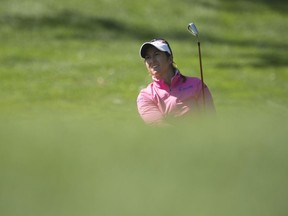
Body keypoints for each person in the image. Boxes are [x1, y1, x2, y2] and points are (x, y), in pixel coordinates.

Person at [137, 38, 215, 125]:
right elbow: (158, 126)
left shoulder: (196, 84)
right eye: (148, 57)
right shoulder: (145, 96)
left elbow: (210, 118)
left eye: (157, 54)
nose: (152, 60)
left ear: (169, 59)